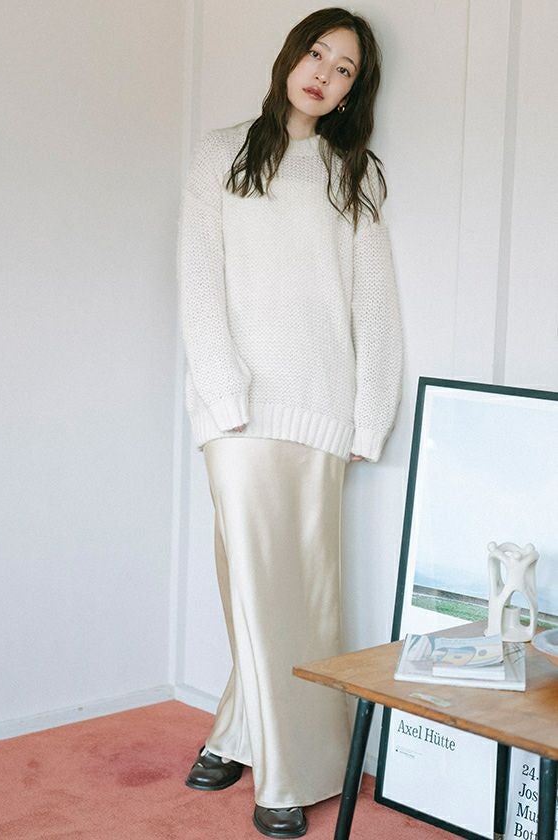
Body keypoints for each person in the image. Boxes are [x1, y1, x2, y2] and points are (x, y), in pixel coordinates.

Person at [178, 7, 403, 838]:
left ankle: (243, 738)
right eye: (318, 54)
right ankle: (281, 771)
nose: (325, 75)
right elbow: (198, 283)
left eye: (345, 69)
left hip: (321, 408)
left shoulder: (351, 174)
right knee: (251, 587)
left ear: (352, 93)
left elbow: (374, 306)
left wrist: (368, 418)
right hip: (237, 411)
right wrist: (224, 394)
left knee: (302, 597)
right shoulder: (219, 154)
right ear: (290, 57)